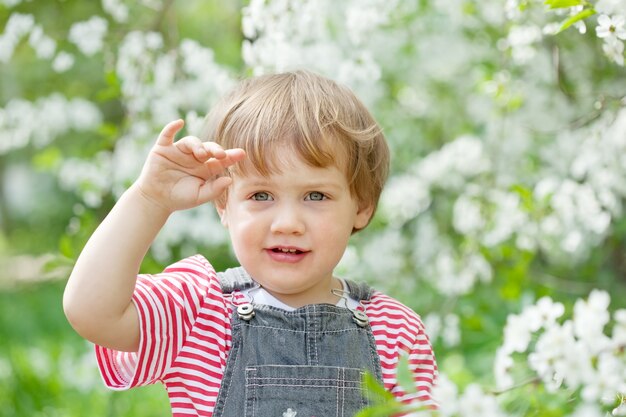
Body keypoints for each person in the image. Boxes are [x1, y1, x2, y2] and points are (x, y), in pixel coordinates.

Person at [63, 70, 437, 417]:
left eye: (316, 196)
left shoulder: (394, 330)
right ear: (224, 205)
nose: (287, 223)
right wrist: (149, 200)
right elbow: (92, 312)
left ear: (362, 207)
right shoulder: (198, 310)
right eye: (261, 196)